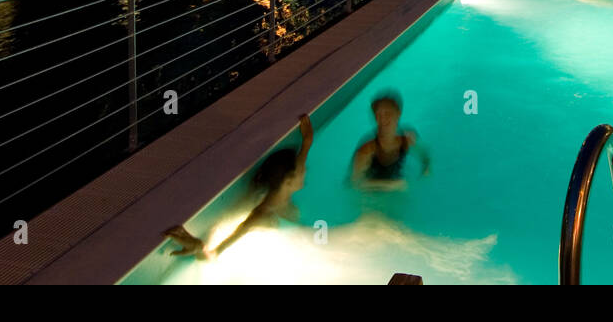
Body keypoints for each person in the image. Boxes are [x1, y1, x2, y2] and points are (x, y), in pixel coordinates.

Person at [162, 113, 314, 259]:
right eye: (301, 170)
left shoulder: (286, 185)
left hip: (303, 241)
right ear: (287, 181)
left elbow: (304, 150)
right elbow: (214, 254)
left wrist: (307, 139)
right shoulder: (260, 216)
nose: (305, 169)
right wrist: (198, 247)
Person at [350, 93, 431, 191]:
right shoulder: (367, 148)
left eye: (388, 113)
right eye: (379, 115)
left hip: (396, 186)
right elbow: (354, 184)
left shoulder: (406, 138)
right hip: (370, 194)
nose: (383, 119)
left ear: (398, 114)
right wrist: (390, 185)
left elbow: (424, 155)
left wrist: (426, 170)